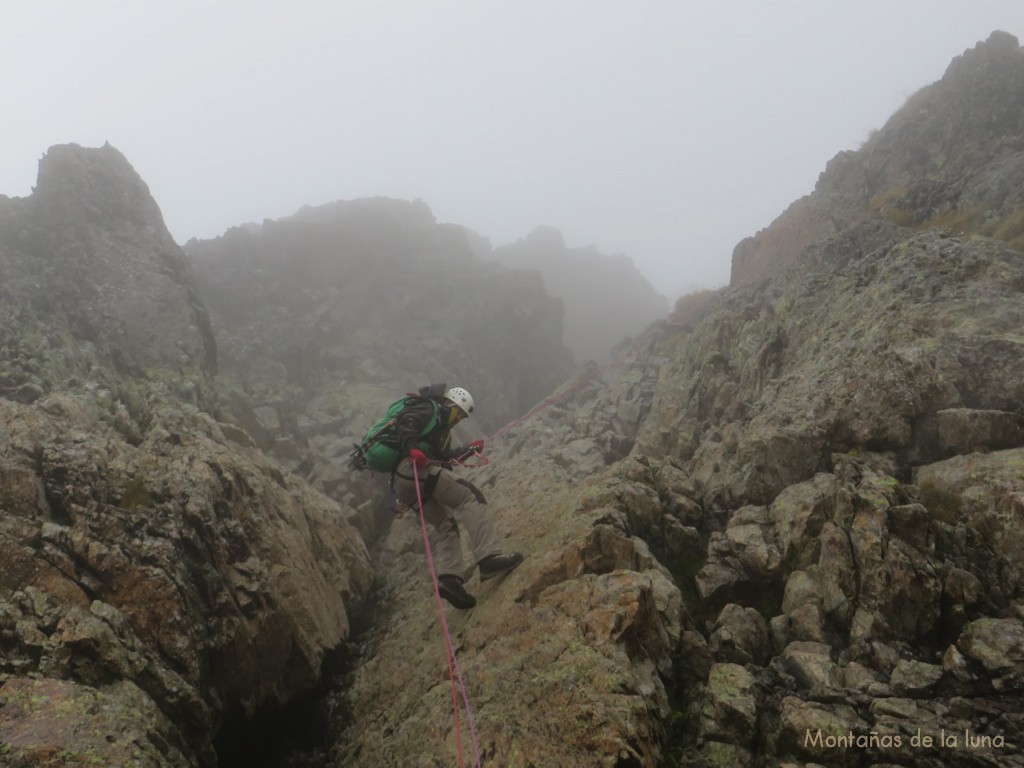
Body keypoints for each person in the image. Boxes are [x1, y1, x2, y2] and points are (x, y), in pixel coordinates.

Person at [391, 384, 523, 609]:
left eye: (462, 416)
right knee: (470, 497)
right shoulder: (431, 409)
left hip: (404, 483)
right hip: (412, 469)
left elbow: (445, 459)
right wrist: (412, 449)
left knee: (445, 524)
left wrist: (470, 451)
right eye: (459, 412)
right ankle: (488, 558)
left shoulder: (441, 430)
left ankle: (449, 580)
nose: (459, 418)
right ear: (450, 404)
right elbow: (406, 424)